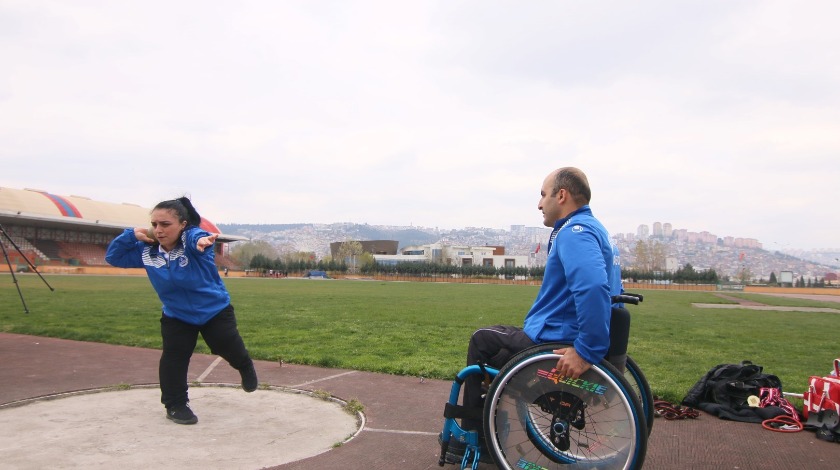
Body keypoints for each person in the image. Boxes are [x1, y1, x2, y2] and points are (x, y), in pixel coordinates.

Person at [451, 167, 614, 457]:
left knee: (483, 341)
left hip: (554, 346)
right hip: (563, 336)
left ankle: (476, 439)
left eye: (543, 195)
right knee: (498, 349)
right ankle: (491, 423)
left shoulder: (574, 233)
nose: (539, 204)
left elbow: (592, 287)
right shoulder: (595, 230)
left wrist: (587, 350)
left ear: (561, 196)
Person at [105, 197, 258, 425]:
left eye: (165, 224)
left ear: (183, 225)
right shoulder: (146, 251)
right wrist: (130, 235)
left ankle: (244, 365)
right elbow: (113, 257)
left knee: (224, 344)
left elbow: (197, 239)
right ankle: (175, 405)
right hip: (177, 314)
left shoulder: (194, 243)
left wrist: (199, 242)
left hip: (213, 310)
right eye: (155, 224)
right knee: (174, 357)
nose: (159, 230)